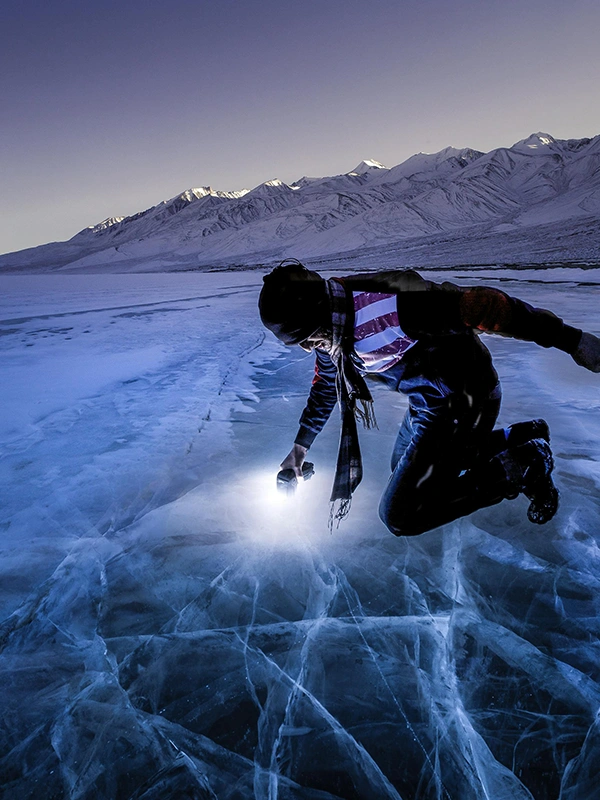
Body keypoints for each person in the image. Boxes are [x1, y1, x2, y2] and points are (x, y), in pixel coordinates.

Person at [258, 261, 600, 536]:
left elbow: (485, 306)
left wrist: (571, 340)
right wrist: (299, 450)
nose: (306, 348)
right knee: (402, 471)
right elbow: (324, 387)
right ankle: (517, 436)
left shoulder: (391, 302)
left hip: (466, 401)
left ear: (315, 320)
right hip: (429, 403)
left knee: (401, 514)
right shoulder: (332, 331)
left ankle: (524, 465)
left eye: (305, 339)